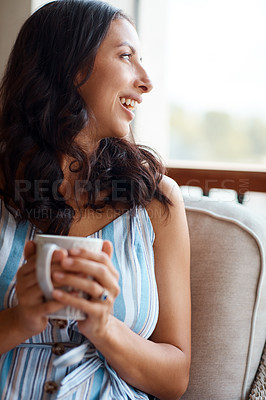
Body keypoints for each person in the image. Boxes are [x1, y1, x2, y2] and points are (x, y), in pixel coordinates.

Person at [0, 1, 191, 399]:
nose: (146, 80)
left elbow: (175, 378)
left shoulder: (156, 201)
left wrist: (104, 326)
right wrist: (22, 318)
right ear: (71, 67)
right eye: (126, 57)